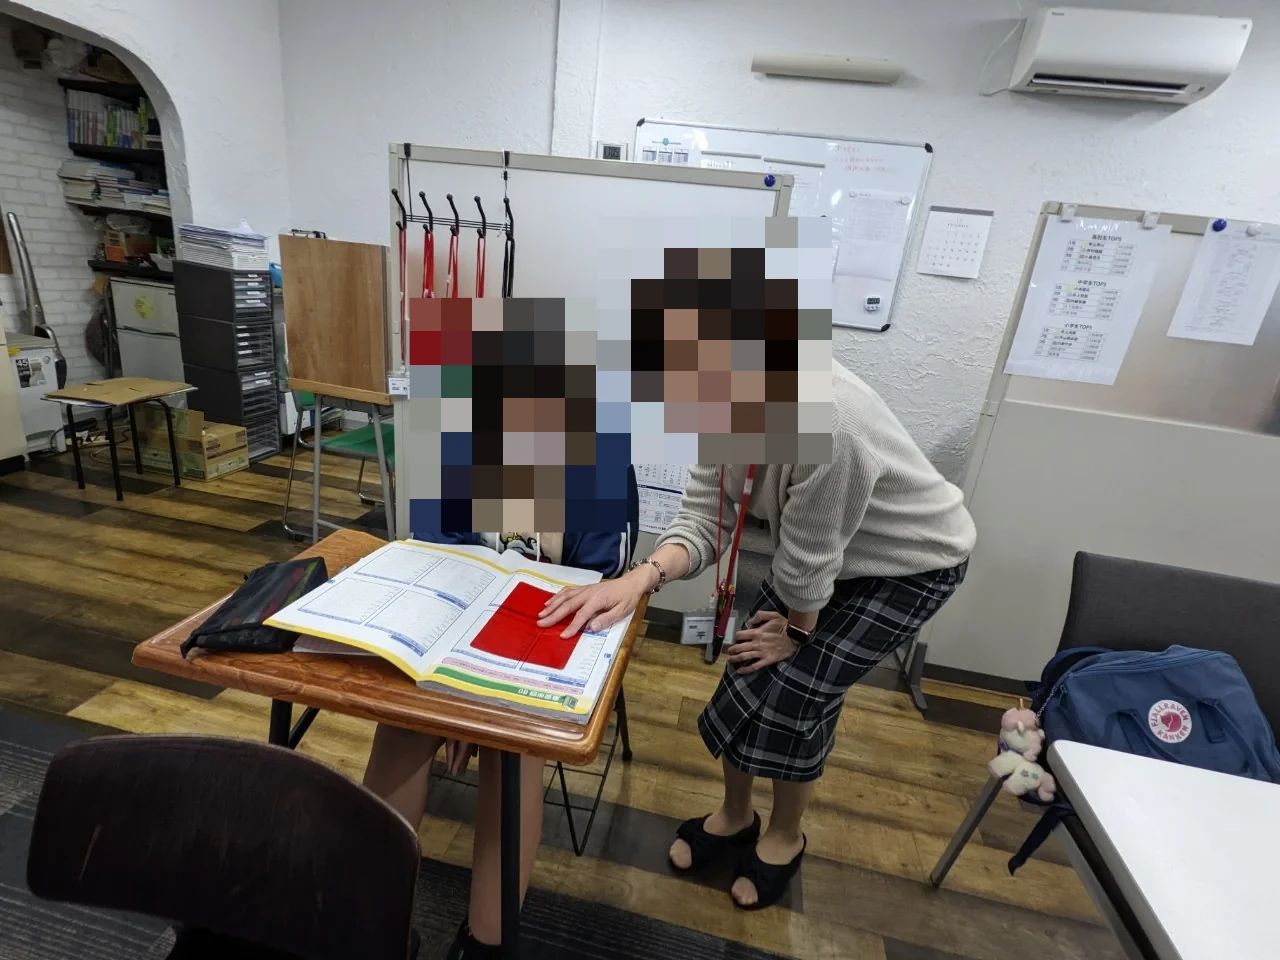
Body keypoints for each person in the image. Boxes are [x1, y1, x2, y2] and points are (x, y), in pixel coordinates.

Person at [538, 361, 975, 910]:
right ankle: (736, 815)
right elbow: (705, 521)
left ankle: (786, 835)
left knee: (797, 696)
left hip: (909, 565)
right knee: (746, 673)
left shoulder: (828, 420)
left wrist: (796, 633)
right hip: (820, 557)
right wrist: (639, 579)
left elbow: (810, 566)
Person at [362, 475, 638, 958]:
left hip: (547, 631)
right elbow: (437, 553)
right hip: (460, 625)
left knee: (512, 745)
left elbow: (593, 583)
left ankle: (485, 942)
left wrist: (478, 705)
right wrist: (456, 698)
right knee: (404, 720)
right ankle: (368, 921)